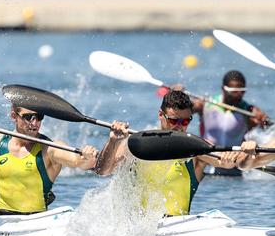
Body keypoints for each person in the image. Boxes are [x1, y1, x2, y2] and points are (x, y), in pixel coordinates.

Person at [95, 90, 242, 216]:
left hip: (177, 231)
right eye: (173, 121)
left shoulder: (195, 148)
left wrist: (232, 158)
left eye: (185, 122)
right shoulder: (138, 144)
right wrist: (113, 141)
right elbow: (102, 170)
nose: (179, 127)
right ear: (161, 115)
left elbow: (225, 162)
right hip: (141, 231)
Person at [0, 106, 98, 217]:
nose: (34, 123)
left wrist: (87, 157)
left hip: (35, 221)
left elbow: (78, 162)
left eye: (39, 117)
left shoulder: (50, 148)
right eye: (28, 117)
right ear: (13, 116)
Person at [191, 70, 269, 176]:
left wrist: (263, 121)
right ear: (223, 89)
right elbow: (185, 109)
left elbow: (268, 128)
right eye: (234, 92)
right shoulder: (205, 104)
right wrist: (180, 94)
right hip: (208, 162)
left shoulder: (249, 110)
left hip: (234, 165)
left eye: (242, 91)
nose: (239, 95)